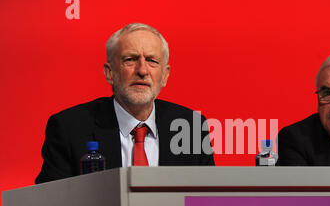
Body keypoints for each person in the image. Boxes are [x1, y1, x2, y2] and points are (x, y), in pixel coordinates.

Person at [36, 23, 214, 183]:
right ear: (110, 72)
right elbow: (50, 205)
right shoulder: (69, 128)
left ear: (165, 76)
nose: (142, 70)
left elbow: (208, 201)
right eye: (130, 60)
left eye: (152, 61)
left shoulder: (191, 127)